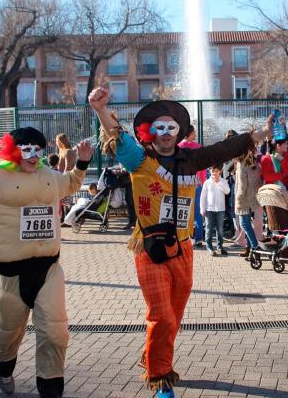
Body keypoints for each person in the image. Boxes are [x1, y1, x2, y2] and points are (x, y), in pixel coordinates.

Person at [88, 87, 271, 397]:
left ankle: (151, 356)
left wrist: (261, 134)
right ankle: (160, 377)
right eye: (159, 128)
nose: (165, 133)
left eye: (171, 127)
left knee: (174, 316)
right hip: (149, 248)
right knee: (161, 315)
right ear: (150, 131)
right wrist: (100, 109)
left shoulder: (191, 158)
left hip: (184, 248)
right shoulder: (140, 158)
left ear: (179, 131)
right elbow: (117, 137)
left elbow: (224, 148)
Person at [0, 127, 93, 397]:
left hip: (47, 268)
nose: (34, 155)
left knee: (55, 332)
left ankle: (50, 387)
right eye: (27, 149)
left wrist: (82, 161)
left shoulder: (49, 175)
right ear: (12, 150)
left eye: (38, 149)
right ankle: (3, 365)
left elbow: (70, 183)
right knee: (8, 332)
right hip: (8, 271)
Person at [178, 125, 206, 246]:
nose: (195, 135)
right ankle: (198, 238)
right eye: (194, 133)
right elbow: (203, 166)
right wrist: (203, 180)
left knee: (182, 210)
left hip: (181, 183)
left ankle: (182, 237)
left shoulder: (177, 147)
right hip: (196, 182)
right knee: (197, 211)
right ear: (188, 134)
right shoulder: (198, 147)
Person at [234, 149, 263, 257]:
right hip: (254, 197)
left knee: (244, 224)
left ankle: (255, 247)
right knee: (248, 224)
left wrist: (238, 200)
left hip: (244, 199)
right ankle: (250, 249)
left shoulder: (242, 165)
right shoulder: (255, 162)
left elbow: (242, 186)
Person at [200, 165, 230, 256]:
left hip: (220, 209)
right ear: (210, 171)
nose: (214, 173)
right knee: (208, 229)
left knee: (220, 229)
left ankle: (220, 247)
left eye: (216, 171)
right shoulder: (207, 182)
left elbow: (227, 191)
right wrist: (202, 208)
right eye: (212, 171)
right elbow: (203, 197)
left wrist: (219, 183)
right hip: (209, 209)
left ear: (220, 171)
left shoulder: (223, 181)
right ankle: (209, 247)